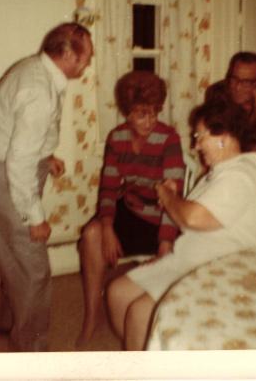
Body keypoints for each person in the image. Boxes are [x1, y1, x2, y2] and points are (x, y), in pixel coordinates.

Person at [107, 100, 256, 350]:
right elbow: (191, 215)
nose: (196, 146)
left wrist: (167, 197)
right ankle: (143, 354)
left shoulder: (240, 176)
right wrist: (174, 200)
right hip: (191, 258)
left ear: (223, 137)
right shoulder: (219, 172)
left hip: (223, 269)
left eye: (199, 136)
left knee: (140, 313)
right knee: (117, 293)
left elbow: (193, 218)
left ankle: (144, 360)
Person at [0, 22, 93, 351]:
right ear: (68, 53)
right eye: (86, 56)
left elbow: (20, 134)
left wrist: (46, 155)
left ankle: (11, 322)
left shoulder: (34, 70)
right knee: (35, 270)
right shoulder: (39, 90)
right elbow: (19, 162)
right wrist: (35, 217)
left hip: (0, 172)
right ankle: (32, 351)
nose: (88, 63)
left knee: (12, 256)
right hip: (10, 177)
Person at [77, 70, 185, 346]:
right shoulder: (117, 138)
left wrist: (165, 245)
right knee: (91, 234)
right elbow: (109, 186)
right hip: (133, 209)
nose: (150, 121)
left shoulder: (169, 138)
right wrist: (107, 227)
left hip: (163, 217)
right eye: (141, 114)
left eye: (155, 112)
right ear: (127, 112)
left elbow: (173, 198)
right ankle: (91, 315)